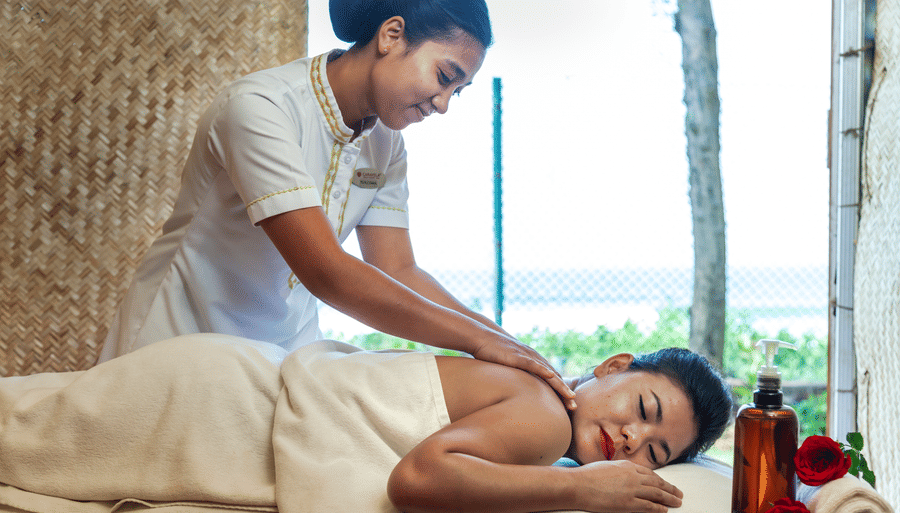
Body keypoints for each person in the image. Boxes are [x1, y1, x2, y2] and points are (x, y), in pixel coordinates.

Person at [97, 0, 574, 407]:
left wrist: (512, 346)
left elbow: (399, 270)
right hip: (177, 343)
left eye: (459, 91)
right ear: (392, 35)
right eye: (444, 76)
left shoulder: (386, 144)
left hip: (278, 362)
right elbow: (325, 271)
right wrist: (478, 342)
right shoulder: (260, 107)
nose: (444, 104)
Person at [0, 335, 732, 513]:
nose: (634, 440)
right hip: (220, 407)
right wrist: (582, 491)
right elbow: (417, 479)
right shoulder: (543, 415)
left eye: (657, 449)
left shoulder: (535, 408)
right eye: (643, 409)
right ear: (612, 365)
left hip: (222, 385)